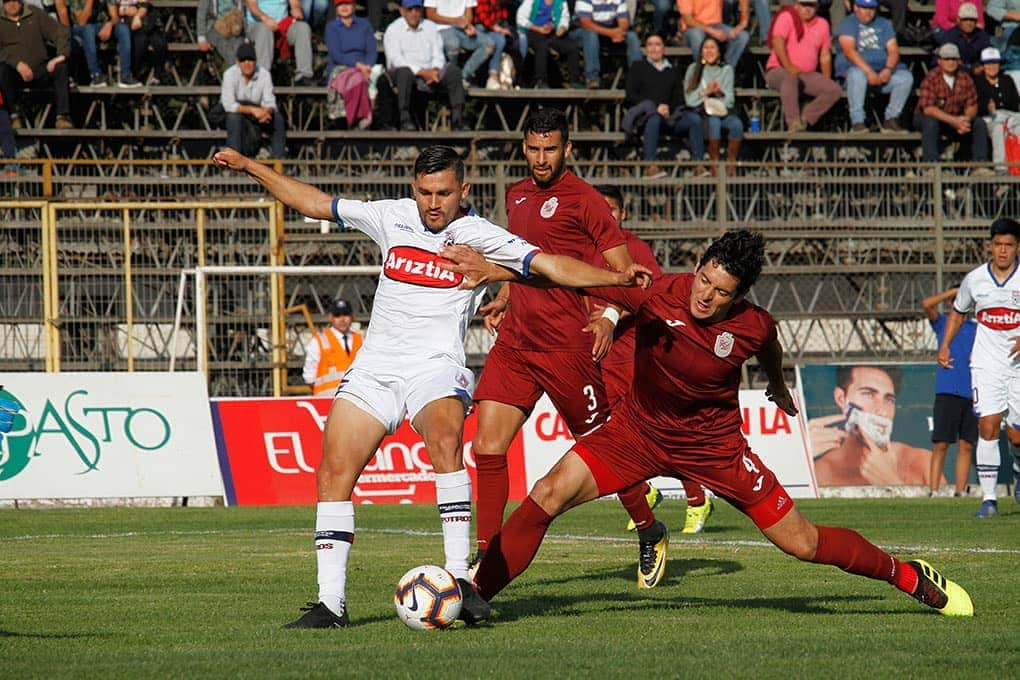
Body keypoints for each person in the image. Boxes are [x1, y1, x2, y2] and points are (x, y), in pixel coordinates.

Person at [213, 143, 652, 628]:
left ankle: (460, 579)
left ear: (463, 190)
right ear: (413, 189)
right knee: (333, 471)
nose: (433, 203)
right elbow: (315, 203)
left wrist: (615, 280)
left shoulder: (480, 234)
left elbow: (551, 266)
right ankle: (330, 604)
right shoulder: (391, 217)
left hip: (435, 368)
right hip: (375, 371)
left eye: (443, 192)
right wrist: (250, 166)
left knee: (446, 441)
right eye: (424, 192)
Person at [440, 229, 974, 619]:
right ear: (697, 268)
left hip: (714, 449)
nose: (704, 295)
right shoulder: (661, 292)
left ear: (739, 296)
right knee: (548, 493)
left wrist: (778, 383)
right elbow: (566, 275)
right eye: (703, 279)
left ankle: (908, 575)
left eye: (719, 292)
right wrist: (500, 272)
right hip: (637, 433)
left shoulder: (753, 324)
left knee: (803, 544)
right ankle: (475, 596)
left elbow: (768, 344)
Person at [469, 108, 671, 590]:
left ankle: (649, 527)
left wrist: (603, 314)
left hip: (568, 348)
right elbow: (523, 261)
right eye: (534, 149)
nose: (542, 158)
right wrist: (502, 297)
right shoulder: (515, 195)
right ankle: (485, 556)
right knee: (486, 447)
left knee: (605, 452)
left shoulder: (587, 202)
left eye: (551, 149)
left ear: (567, 149)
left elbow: (624, 276)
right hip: (516, 342)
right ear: (523, 147)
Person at [594, 184, 713, 535]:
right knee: (611, 438)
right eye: (599, 210)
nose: (606, 216)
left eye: (611, 209)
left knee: (656, 435)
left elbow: (649, 296)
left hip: (633, 358)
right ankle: (644, 492)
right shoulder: (584, 249)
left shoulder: (634, 249)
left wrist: (612, 314)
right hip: (599, 361)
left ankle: (696, 498)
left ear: (623, 214)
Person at [937, 217, 1020, 518]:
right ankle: (989, 499)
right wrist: (945, 345)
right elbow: (958, 313)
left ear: (1017, 247)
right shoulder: (975, 280)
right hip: (986, 364)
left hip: (1018, 366)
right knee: (988, 425)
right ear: (990, 246)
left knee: (1016, 436)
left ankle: (1017, 469)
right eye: (997, 244)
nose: (1002, 250)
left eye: (1008, 245)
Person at [808, 365, 938, 486]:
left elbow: (950, 511)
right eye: (868, 394)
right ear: (841, 398)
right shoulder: (817, 474)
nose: (882, 411)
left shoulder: (923, 463)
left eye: (889, 400)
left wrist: (892, 483)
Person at [922, 288, 977, 497]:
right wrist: (954, 291)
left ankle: (960, 491)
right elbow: (927, 304)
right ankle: (934, 491)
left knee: (966, 445)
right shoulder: (943, 323)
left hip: (971, 392)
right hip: (947, 391)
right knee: (941, 443)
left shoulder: (976, 328)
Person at [623, 33, 698, 179]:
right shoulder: (638, 67)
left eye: (657, 44)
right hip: (646, 116)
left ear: (664, 48)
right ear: (645, 49)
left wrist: (668, 107)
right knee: (655, 118)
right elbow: (631, 94)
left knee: (694, 119)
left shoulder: (673, 70)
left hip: (669, 116)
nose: (654, 48)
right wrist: (656, 107)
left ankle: (699, 165)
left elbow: (679, 98)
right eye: (650, 45)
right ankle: (650, 166)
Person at [382, 0, 466, 131]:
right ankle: (405, 119)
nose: (414, 14)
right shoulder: (393, 29)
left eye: (417, 10)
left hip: (430, 71)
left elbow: (438, 54)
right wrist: (421, 72)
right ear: (402, 11)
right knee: (404, 72)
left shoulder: (430, 27)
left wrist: (435, 70)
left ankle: (458, 120)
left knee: (453, 72)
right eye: (410, 10)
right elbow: (396, 59)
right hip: (405, 72)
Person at [834, 0, 913, 133]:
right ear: (856, 7)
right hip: (857, 73)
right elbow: (849, 51)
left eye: (871, 8)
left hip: (882, 73)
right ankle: (857, 121)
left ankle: (891, 119)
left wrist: (888, 69)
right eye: (864, 8)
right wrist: (869, 72)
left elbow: (893, 50)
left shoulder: (884, 24)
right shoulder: (848, 23)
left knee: (905, 77)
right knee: (857, 74)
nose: (868, 11)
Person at [764, 0, 842, 132]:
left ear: (817, 7)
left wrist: (826, 78)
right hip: (779, 69)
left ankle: (805, 118)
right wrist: (788, 66)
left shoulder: (822, 24)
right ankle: (793, 122)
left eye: (811, 5)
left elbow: (825, 55)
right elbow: (777, 41)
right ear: (797, 5)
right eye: (804, 5)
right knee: (790, 77)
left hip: (806, 74)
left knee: (833, 90)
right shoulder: (787, 17)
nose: (807, 9)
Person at [0, 0, 73, 130]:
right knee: (2, 70)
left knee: (61, 67)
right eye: (7, 1)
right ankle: (13, 116)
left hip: (39, 69)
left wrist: (60, 56)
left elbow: (60, 32)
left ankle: (62, 116)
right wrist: (16, 63)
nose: (11, 4)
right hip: (13, 73)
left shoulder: (35, 13)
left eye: (14, 0)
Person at [913, 43, 989, 166]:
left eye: (954, 59)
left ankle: (980, 165)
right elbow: (928, 109)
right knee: (931, 123)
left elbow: (972, 105)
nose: (951, 62)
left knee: (979, 123)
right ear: (940, 61)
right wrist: (953, 121)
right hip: (930, 117)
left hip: (957, 118)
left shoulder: (965, 78)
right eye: (947, 59)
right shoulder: (931, 78)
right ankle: (931, 165)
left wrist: (965, 120)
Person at [214, 42, 287, 158]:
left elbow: (270, 101)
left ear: (256, 61)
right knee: (234, 118)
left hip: (258, 114)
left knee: (277, 119)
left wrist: (266, 112)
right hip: (231, 114)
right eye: (243, 60)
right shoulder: (229, 74)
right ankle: (233, 160)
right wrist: (253, 110)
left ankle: (279, 162)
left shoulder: (264, 74)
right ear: (238, 62)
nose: (247, 64)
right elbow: (228, 104)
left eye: (250, 60)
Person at [682, 36, 743, 174]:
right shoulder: (694, 69)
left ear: (719, 52)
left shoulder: (726, 70)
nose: (709, 51)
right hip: (702, 112)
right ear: (701, 52)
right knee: (713, 122)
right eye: (706, 48)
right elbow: (690, 100)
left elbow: (730, 100)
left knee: (736, 125)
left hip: (722, 111)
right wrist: (707, 91)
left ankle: (731, 162)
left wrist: (719, 92)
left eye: (712, 48)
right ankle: (714, 162)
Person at [425, 0, 504, 89]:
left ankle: (464, 76)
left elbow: (469, 13)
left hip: (461, 28)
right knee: (453, 45)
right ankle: (450, 78)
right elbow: (430, 14)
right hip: (441, 28)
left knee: (488, 43)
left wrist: (467, 25)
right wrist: (455, 20)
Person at [324, 0, 378, 127]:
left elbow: (372, 50)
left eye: (347, 4)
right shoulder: (331, 27)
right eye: (341, 4)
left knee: (373, 78)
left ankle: (365, 117)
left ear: (353, 6)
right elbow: (336, 54)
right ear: (336, 7)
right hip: (340, 66)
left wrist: (368, 66)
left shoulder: (364, 25)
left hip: (365, 66)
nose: (344, 7)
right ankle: (357, 117)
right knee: (357, 78)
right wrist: (358, 66)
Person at [569, 0, 641, 89]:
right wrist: (611, 33)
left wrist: (619, 33)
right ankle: (592, 78)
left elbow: (624, 22)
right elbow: (586, 23)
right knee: (591, 34)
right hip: (582, 32)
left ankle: (638, 78)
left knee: (632, 36)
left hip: (607, 31)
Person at [244, 0, 314, 85]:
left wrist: (296, 9)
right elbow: (252, 6)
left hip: (282, 25)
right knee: (265, 30)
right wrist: (265, 18)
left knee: (303, 28)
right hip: (258, 24)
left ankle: (304, 75)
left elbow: (295, 3)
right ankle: (263, 76)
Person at [303, 298, 363, 395]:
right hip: (326, 400)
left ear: (352, 317)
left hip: (356, 399)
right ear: (330, 317)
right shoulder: (318, 341)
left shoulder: (361, 340)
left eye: (345, 314)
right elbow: (309, 377)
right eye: (337, 315)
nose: (342, 319)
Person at [516, 0, 582, 89]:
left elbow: (564, 18)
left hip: (551, 32)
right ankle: (540, 80)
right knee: (542, 45)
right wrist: (538, 29)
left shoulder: (561, 2)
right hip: (532, 30)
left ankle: (575, 81)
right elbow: (520, 18)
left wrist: (562, 28)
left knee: (572, 47)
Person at [974, 47, 1020, 173]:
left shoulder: (1007, 80)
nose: (992, 66)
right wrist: (987, 107)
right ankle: (1001, 168)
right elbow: (977, 105)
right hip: (989, 117)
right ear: (983, 65)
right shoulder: (978, 82)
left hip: (1009, 115)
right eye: (988, 63)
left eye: (994, 62)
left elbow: (1015, 103)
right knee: (998, 128)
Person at [54, 0, 119, 86]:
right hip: (79, 28)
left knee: (123, 29)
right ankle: (95, 74)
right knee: (88, 29)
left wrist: (109, 24)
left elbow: (115, 17)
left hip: (101, 26)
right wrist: (90, 2)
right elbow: (81, 22)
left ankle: (126, 75)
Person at [677, 0, 749, 70]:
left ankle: (725, 72)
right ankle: (702, 73)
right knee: (697, 35)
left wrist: (743, 23)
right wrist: (712, 31)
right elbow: (688, 20)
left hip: (716, 25)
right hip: (692, 28)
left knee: (742, 37)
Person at [113, 0, 167, 86]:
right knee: (139, 40)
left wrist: (137, 15)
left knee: (158, 42)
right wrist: (125, 11)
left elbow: (144, 5)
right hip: (124, 22)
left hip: (142, 20)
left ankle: (156, 76)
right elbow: (113, 8)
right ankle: (133, 74)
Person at [940, 2, 992, 74]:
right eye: (965, 19)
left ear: (976, 21)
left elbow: (986, 56)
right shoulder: (950, 35)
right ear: (958, 20)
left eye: (972, 20)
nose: (969, 23)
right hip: (956, 72)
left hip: (978, 73)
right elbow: (948, 59)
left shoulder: (983, 36)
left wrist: (980, 67)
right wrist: (969, 70)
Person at [197, 0, 245, 65]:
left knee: (240, 47)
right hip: (214, 28)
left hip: (235, 28)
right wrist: (201, 38)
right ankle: (236, 66)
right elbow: (201, 13)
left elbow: (244, 13)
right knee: (222, 43)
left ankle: (238, 66)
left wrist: (247, 36)